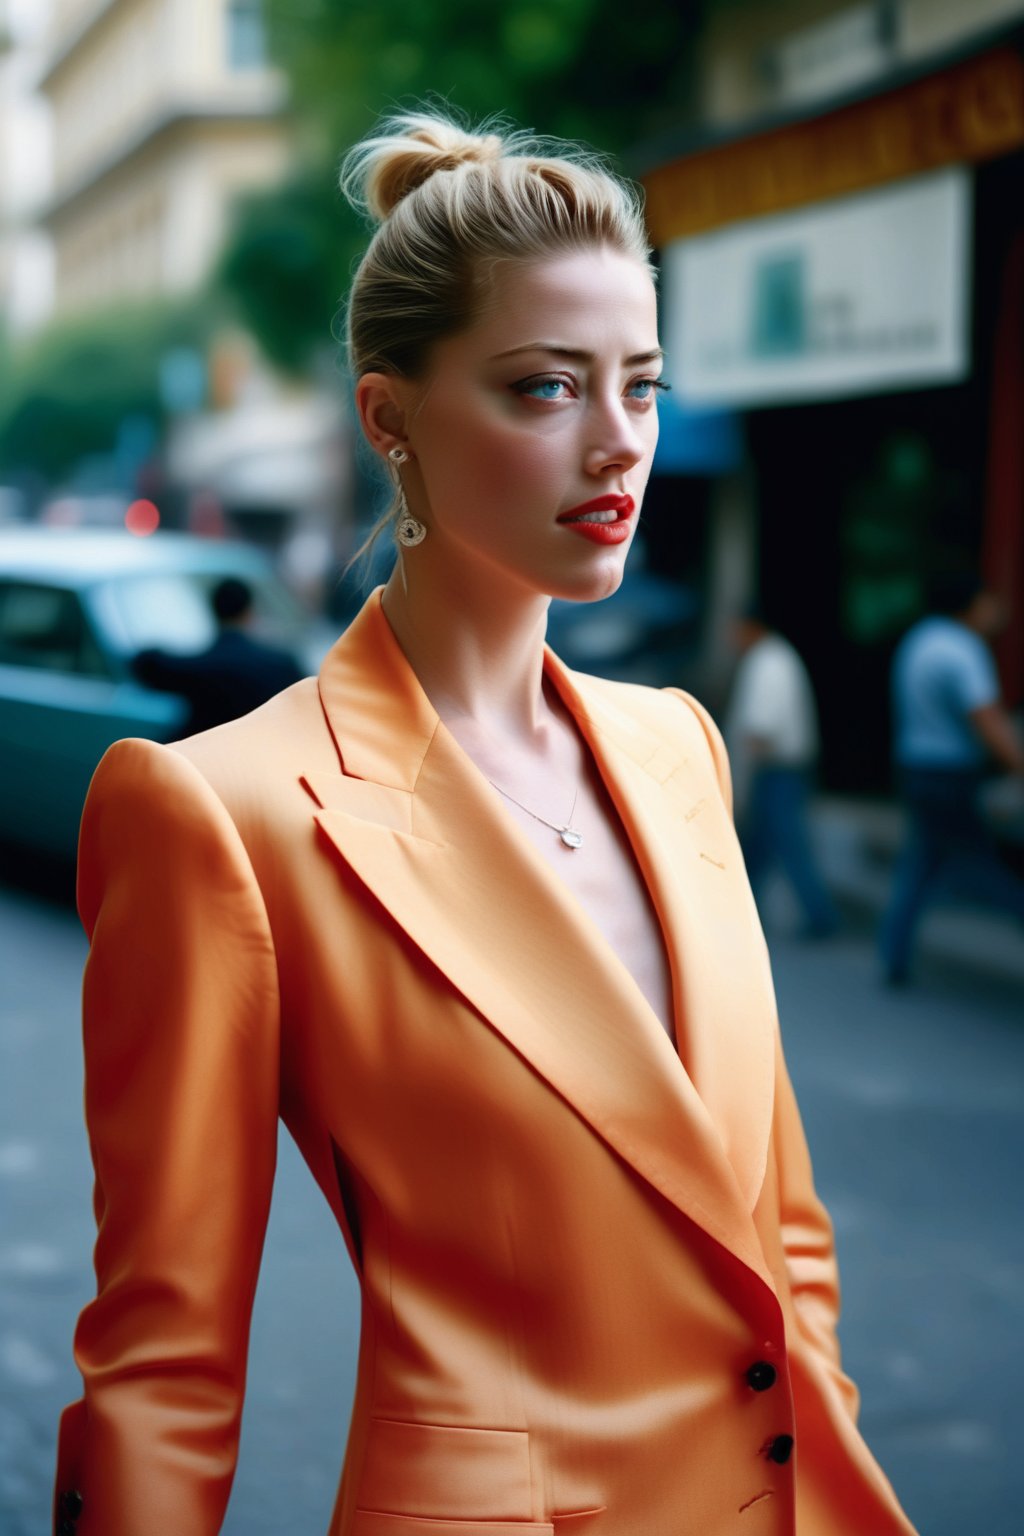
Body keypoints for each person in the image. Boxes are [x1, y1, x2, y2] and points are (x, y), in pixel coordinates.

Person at [54, 112, 917, 1536]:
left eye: (640, 384)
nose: (617, 442)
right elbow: (164, 1366)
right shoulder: (221, 814)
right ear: (389, 416)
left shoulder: (679, 745)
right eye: (543, 389)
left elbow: (780, 1234)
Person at [879, 569, 1024, 985]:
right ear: (972, 604)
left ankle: (894, 953)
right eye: (990, 602)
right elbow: (986, 718)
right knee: (981, 864)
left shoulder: (918, 639)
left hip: (913, 767)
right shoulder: (964, 649)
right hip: (950, 773)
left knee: (921, 861)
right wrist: (1017, 763)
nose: (997, 612)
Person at [725, 605, 840, 939]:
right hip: (779, 770)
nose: (732, 638)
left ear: (750, 627)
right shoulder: (773, 657)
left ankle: (820, 916)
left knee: (787, 843)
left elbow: (760, 729)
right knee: (762, 846)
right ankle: (742, 912)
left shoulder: (768, 662)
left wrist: (742, 779)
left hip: (775, 771)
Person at [133, 575, 304, 734]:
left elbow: (146, 664)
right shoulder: (281, 665)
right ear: (249, 612)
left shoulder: (198, 667)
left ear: (213, 611)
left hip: (203, 758)